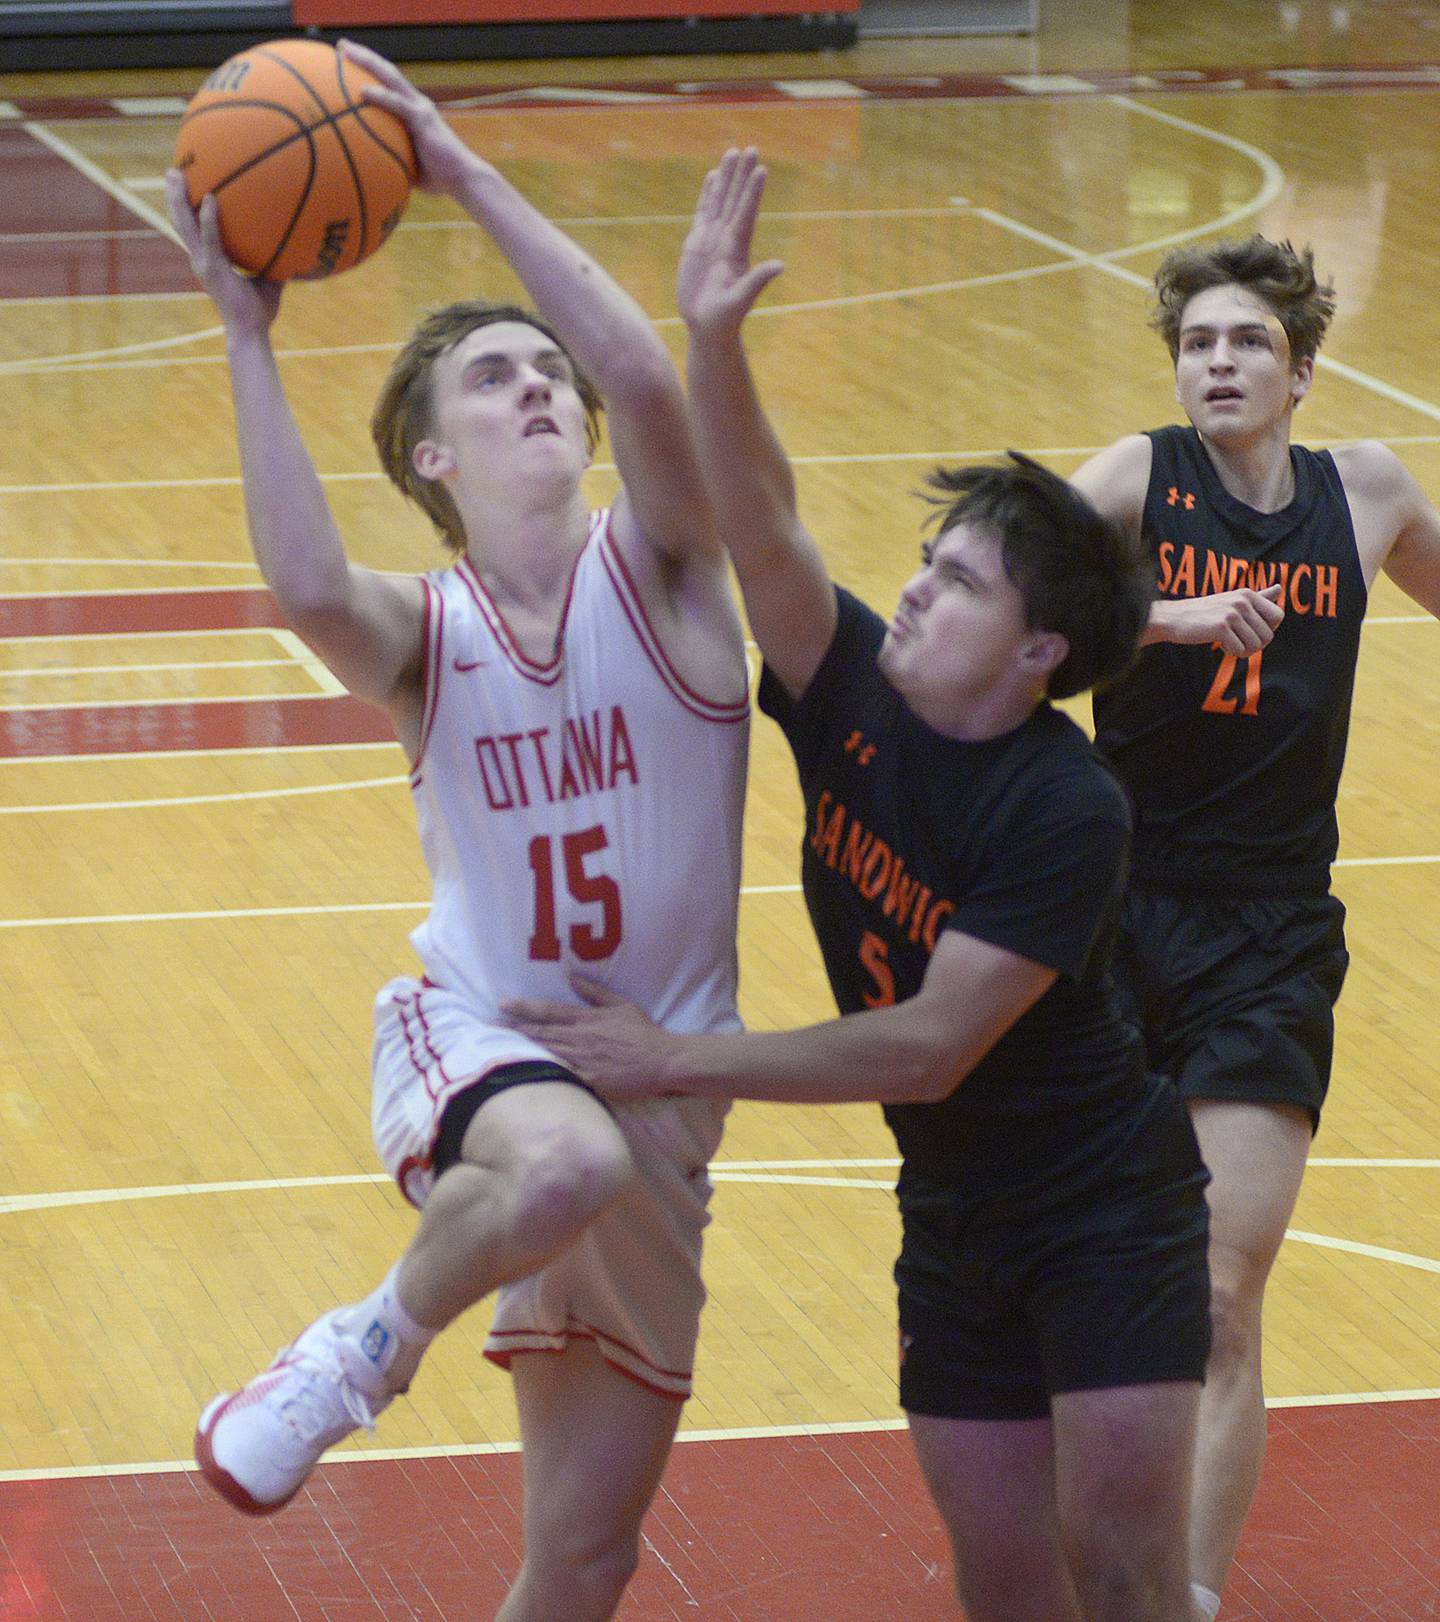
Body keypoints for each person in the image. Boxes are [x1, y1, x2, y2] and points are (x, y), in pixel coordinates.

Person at [506, 148, 1212, 1622]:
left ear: (1037, 655)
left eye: (959, 584)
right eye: (929, 562)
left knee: (1129, 1573)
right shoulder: (857, 688)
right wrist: (713, 338)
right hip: (952, 1205)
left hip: (1108, 1208)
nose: (919, 590)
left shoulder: (1065, 805)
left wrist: (672, 1056)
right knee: (1008, 1582)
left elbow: (926, 1043)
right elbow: (761, 523)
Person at [166, 44, 750, 1622]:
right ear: (432, 458)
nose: (538, 386)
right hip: (483, 1040)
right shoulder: (428, 635)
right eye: (493, 379)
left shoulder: (677, 582)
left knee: (583, 1554)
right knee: (557, 1158)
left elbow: (646, 376)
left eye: (541, 367)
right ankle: (357, 1351)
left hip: (668, 1099)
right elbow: (301, 586)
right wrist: (244, 335)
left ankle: (380, 1341)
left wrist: (462, 167)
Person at [1068, 234, 1440, 1619]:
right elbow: (978, 582)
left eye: (1246, 346)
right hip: (1111, 920)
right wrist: (1162, 617)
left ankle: (1190, 1597)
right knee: (1100, 1286)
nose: (1216, 363)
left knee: (1224, 1288)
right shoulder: (1132, 477)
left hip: (1271, 938)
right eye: (1198, 343)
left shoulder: (1371, 494)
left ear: (1299, 376)